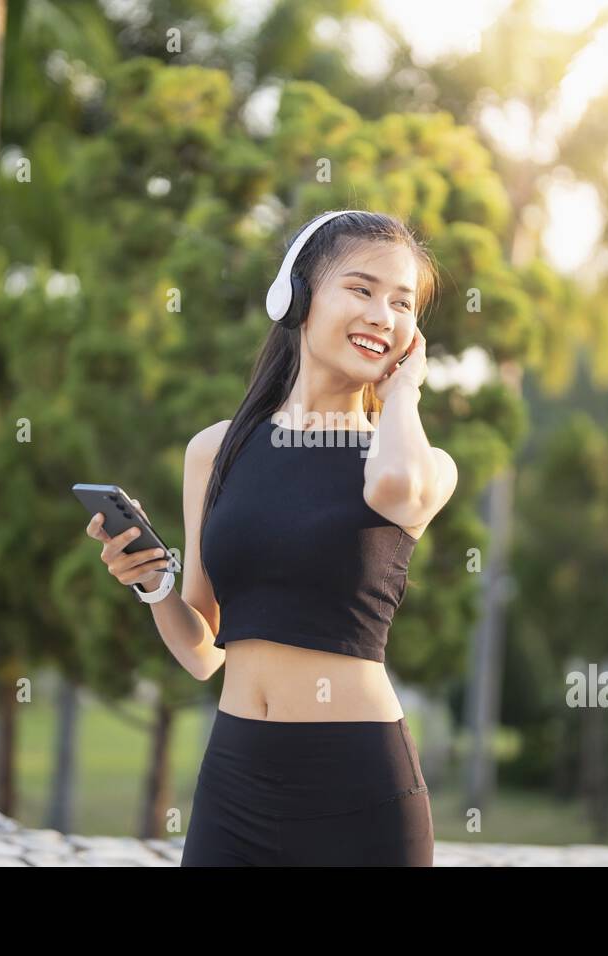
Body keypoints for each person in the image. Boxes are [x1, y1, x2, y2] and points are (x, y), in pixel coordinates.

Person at [86, 210, 458, 866]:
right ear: (296, 297)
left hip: (357, 785)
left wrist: (404, 390)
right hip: (235, 778)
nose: (382, 315)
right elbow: (204, 651)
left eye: (402, 304)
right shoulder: (215, 450)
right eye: (363, 290)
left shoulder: (416, 461)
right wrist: (154, 583)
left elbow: (394, 488)